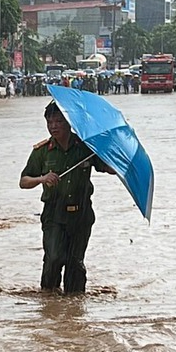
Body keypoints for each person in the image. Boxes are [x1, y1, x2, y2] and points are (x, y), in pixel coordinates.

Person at [20, 100, 116, 295]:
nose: (54, 126)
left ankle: (74, 306)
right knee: (54, 258)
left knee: (75, 263)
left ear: (69, 123)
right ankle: (49, 299)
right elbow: (23, 181)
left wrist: (116, 163)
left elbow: (107, 167)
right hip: (54, 214)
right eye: (50, 122)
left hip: (81, 214)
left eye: (59, 122)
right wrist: (42, 178)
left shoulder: (86, 147)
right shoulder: (42, 151)